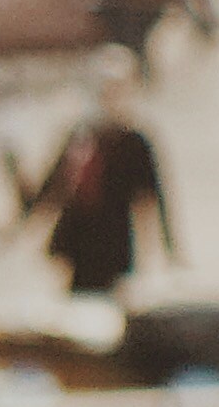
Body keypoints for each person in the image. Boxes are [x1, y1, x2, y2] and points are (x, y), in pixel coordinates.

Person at [19, 49, 171, 300]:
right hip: (79, 236)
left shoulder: (135, 142)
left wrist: (163, 248)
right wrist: (31, 225)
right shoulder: (80, 135)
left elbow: (151, 196)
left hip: (114, 238)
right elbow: (54, 185)